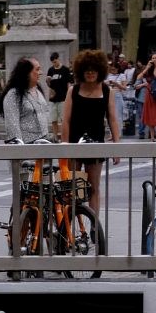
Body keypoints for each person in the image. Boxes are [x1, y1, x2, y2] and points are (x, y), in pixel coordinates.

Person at [62, 50, 120, 215]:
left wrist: (117, 147)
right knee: (74, 188)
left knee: (94, 187)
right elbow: (65, 120)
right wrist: (64, 147)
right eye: (87, 70)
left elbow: (113, 119)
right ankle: (72, 226)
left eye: (94, 70)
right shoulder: (72, 91)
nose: (90, 73)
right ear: (81, 71)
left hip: (96, 145)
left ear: (100, 71)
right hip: (74, 144)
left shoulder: (107, 91)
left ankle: (95, 227)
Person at [45, 52, 72, 129]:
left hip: (63, 98)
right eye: (53, 62)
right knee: (53, 119)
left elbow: (68, 84)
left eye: (55, 62)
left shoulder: (65, 70)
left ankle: (64, 135)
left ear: (58, 59)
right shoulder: (50, 70)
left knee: (63, 119)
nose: (54, 64)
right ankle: (55, 136)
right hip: (53, 98)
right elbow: (48, 84)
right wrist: (48, 80)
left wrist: (68, 96)